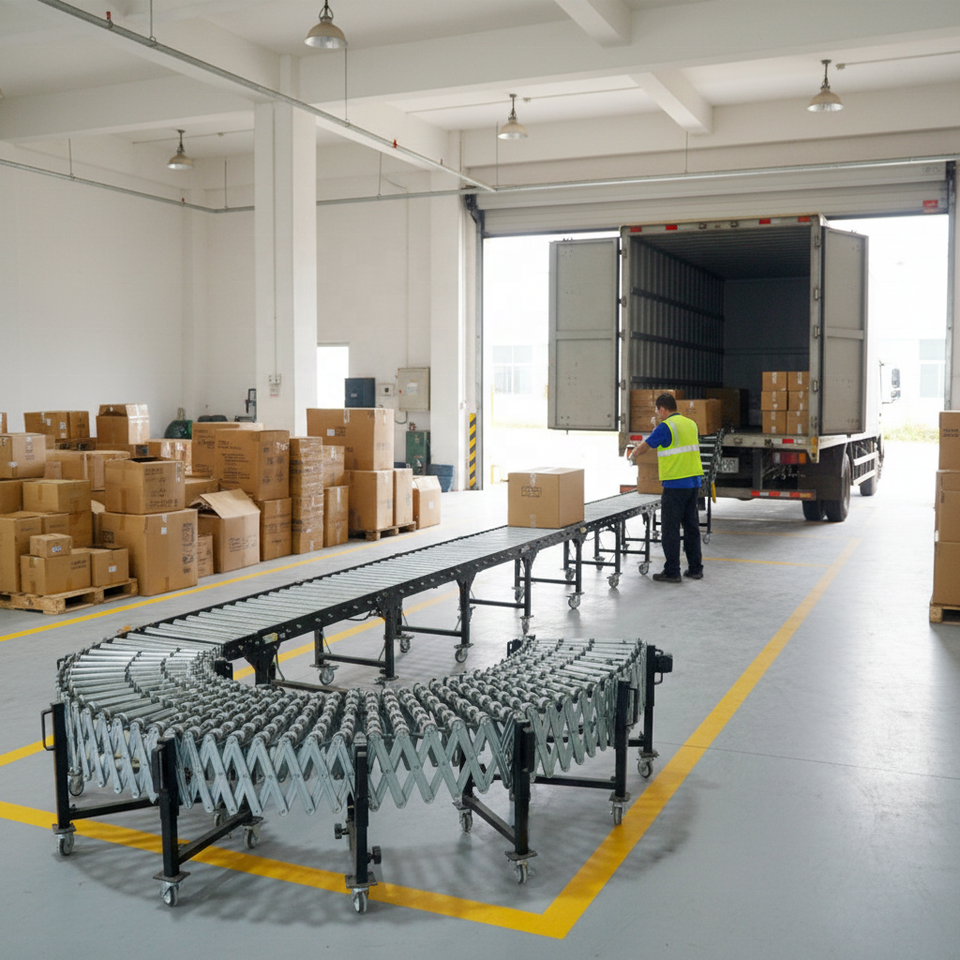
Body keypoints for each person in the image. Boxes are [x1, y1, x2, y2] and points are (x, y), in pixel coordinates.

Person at [628, 394, 704, 583]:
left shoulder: (666, 426)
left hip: (675, 484)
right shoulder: (691, 424)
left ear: (662, 409)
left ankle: (672, 571)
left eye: (658, 411)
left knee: (670, 529)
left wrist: (633, 454)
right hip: (693, 482)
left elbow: (645, 446)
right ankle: (695, 569)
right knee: (691, 527)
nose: (658, 414)